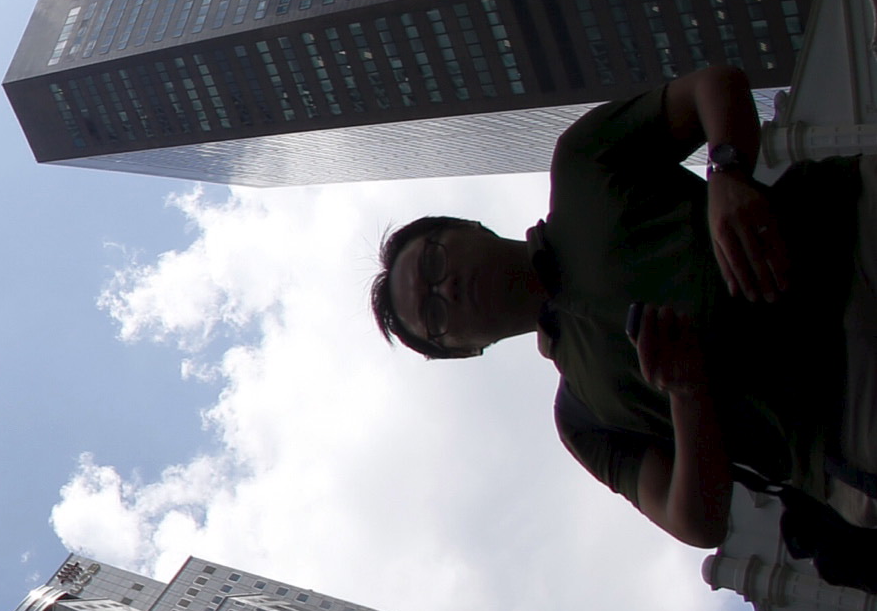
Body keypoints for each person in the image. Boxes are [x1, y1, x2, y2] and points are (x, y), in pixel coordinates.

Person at [369, 62, 864, 549]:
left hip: (850, 233)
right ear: (468, 349)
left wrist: (728, 173)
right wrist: (686, 395)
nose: (448, 290)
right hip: (843, 418)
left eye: (433, 263)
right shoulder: (582, 421)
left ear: (465, 227)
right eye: (435, 315)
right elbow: (695, 521)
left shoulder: (582, 160)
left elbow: (715, 86)